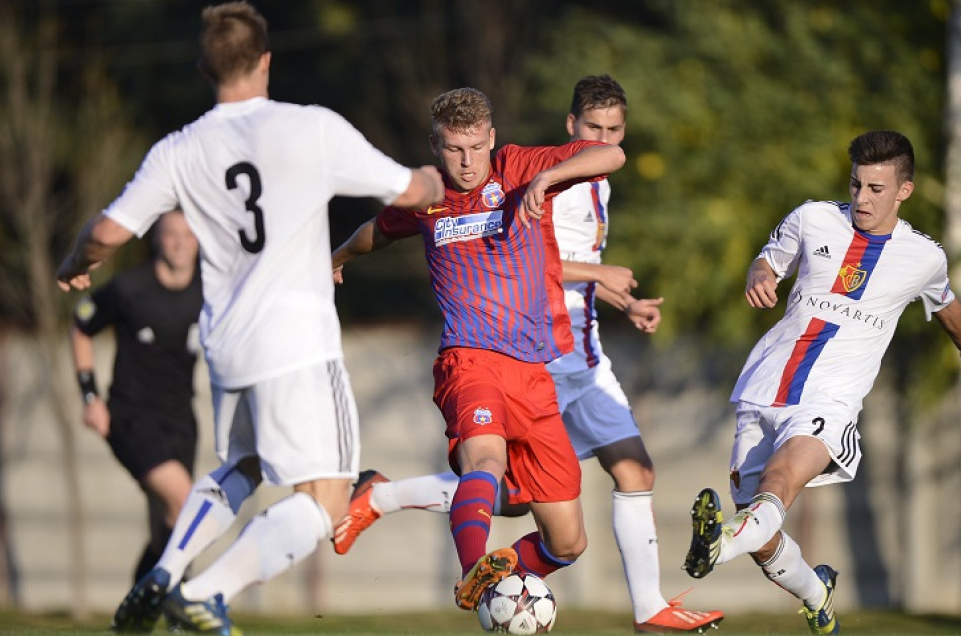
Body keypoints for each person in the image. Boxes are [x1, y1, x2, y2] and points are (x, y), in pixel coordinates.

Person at [55, 2, 444, 634]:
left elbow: (106, 230)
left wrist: (76, 261)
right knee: (326, 501)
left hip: (228, 346)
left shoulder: (180, 148)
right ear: (266, 60)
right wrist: (430, 179)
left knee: (241, 466)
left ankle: (167, 568)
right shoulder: (309, 127)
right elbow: (407, 192)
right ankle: (206, 592)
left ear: (204, 66)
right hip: (297, 342)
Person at [331, 75, 723, 633]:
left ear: (491, 138)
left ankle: (489, 561)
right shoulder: (428, 194)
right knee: (486, 462)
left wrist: (550, 176)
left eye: (474, 147)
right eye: (453, 148)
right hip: (469, 360)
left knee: (568, 540)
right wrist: (337, 256)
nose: (466, 162)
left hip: (538, 372)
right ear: (435, 146)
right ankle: (477, 574)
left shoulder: (519, 168)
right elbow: (380, 229)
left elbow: (611, 153)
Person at [680, 130, 961, 634]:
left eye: (876, 188)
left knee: (778, 484)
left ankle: (716, 545)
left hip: (831, 397)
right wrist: (758, 276)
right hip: (765, 383)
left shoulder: (923, 256)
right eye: (855, 185)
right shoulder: (812, 218)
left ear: (904, 191)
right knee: (760, 531)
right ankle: (814, 589)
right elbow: (768, 260)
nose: (862, 198)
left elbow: (944, 300)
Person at [70, 210, 202, 591]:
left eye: (188, 236)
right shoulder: (130, 289)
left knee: (167, 523)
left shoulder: (210, 290)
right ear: (157, 239)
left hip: (181, 419)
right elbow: (81, 326)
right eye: (171, 234)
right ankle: (185, 602)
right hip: (130, 418)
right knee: (187, 503)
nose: (179, 243)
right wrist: (90, 397)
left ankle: (139, 601)